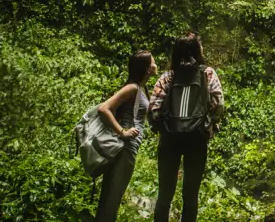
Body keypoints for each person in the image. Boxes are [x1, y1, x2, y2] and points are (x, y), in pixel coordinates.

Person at [149, 33, 224, 222]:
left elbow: (153, 110)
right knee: (191, 194)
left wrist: (164, 127)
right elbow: (218, 104)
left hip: (169, 139)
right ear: (197, 51)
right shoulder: (207, 73)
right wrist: (209, 125)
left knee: (164, 194)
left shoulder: (168, 77)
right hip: (197, 138)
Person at [94, 49, 156, 222]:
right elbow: (103, 108)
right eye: (153, 62)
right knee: (111, 199)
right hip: (124, 148)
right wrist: (122, 131)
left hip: (127, 149)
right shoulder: (132, 88)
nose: (156, 65)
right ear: (147, 68)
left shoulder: (142, 88)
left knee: (111, 197)